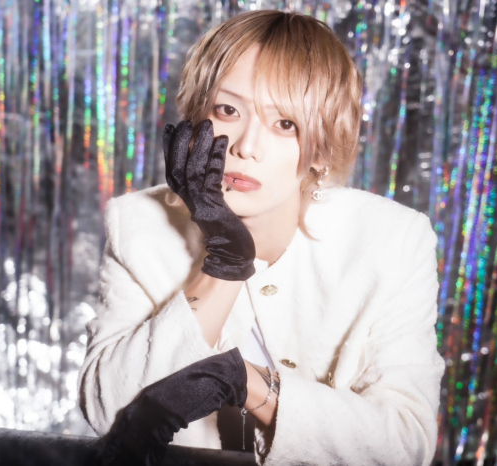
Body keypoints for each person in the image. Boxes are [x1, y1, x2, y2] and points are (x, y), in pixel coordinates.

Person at [78, 10, 445, 466]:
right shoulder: (138, 225)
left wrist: (247, 382)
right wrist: (224, 264)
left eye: (285, 123)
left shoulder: (393, 241)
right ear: (195, 119)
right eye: (228, 110)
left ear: (322, 149)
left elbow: (406, 445)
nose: (246, 146)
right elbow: (108, 411)